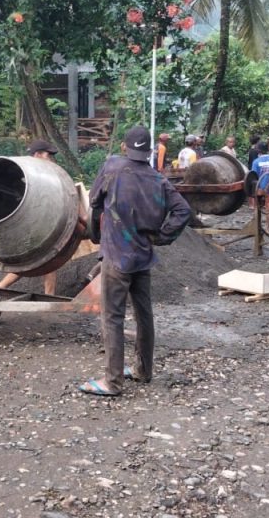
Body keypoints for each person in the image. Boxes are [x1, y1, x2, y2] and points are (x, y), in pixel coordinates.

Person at [80, 126, 191, 396]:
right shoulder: (158, 179)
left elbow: (95, 205)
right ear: (150, 150)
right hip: (143, 256)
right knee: (144, 315)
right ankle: (143, 370)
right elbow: (183, 210)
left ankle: (112, 382)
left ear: (123, 147)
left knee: (112, 317)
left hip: (117, 256)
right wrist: (162, 237)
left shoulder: (111, 168)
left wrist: (95, 236)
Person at [0, 140, 60, 295]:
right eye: (48, 155)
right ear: (37, 155)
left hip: (35, 226)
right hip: (24, 227)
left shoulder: (40, 174)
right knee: (45, 262)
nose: (51, 159)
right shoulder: (27, 173)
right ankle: (49, 298)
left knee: (37, 263)